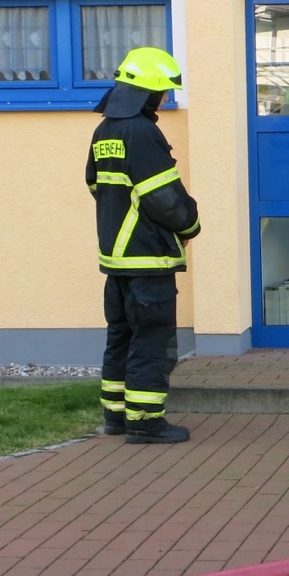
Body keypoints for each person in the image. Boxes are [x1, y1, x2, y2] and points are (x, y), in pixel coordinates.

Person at [87, 46, 202, 444]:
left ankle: (116, 416)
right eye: (164, 91)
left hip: (116, 262)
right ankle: (145, 421)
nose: (166, 98)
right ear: (148, 92)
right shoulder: (142, 131)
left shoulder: (104, 131)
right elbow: (164, 199)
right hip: (148, 260)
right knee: (151, 340)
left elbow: (94, 186)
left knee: (120, 336)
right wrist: (191, 223)